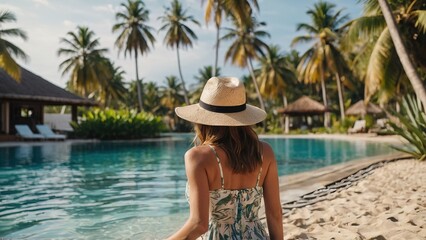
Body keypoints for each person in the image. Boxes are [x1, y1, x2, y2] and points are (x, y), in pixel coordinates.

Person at [167, 76, 283, 240]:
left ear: (203, 120)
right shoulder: (265, 152)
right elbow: (275, 214)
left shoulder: (197, 157)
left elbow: (199, 224)